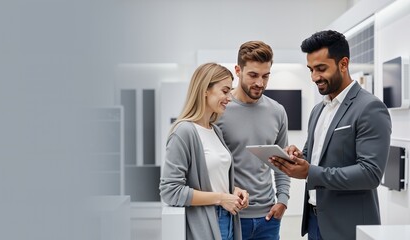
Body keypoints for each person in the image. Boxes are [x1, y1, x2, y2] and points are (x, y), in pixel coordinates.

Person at [269, 30, 392, 240]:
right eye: (311, 69)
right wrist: (296, 157)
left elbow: (370, 174)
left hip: (348, 227)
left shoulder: (370, 107)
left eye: (321, 68)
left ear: (343, 64)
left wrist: (310, 172)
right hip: (315, 222)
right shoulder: (318, 110)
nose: (314, 77)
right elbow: (312, 156)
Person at [159, 62, 249, 240]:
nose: (229, 98)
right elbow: (170, 191)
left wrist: (233, 191)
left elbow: (213, 178)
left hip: (228, 218)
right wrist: (221, 198)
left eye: (230, 91)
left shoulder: (215, 130)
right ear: (205, 90)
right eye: (225, 91)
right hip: (207, 221)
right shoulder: (184, 132)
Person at [216, 41, 291, 240]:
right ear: (238, 70)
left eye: (266, 76)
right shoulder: (219, 110)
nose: (260, 83)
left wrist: (282, 200)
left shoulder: (277, 112)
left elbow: (282, 164)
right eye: (253, 75)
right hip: (230, 215)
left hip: (268, 218)